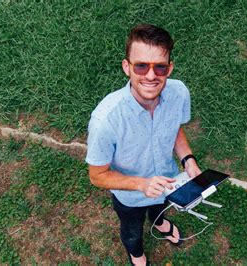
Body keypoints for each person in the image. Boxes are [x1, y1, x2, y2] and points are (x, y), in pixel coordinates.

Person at [86, 24, 201, 266]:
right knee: (132, 230)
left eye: (159, 66)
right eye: (141, 65)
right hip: (131, 197)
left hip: (168, 181)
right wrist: (142, 184)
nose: (151, 75)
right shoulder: (105, 120)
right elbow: (97, 176)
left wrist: (187, 159)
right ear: (126, 67)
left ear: (169, 68)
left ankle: (159, 221)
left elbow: (174, 127)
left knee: (160, 209)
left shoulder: (179, 93)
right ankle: (136, 254)